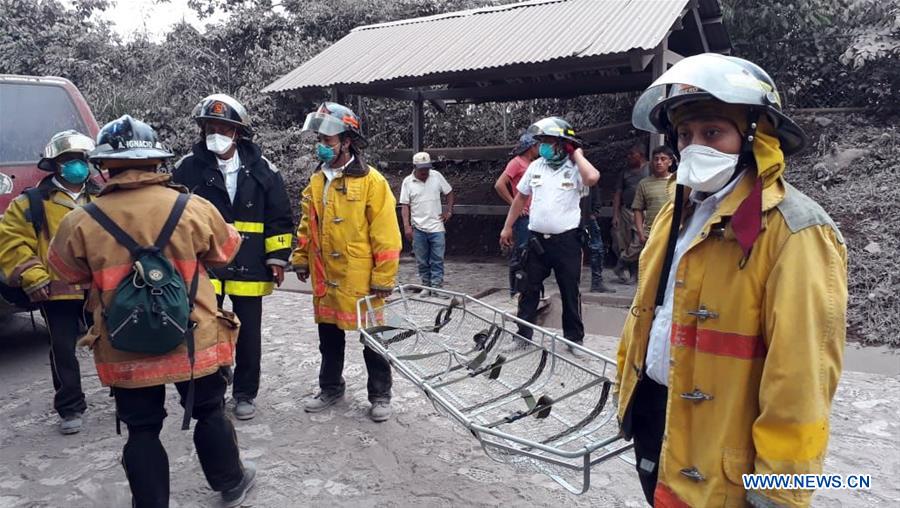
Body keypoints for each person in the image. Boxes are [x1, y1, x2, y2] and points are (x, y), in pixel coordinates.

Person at [617, 53, 847, 507]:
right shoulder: (675, 213)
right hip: (659, 414)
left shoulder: (795, 231)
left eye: (713, 132)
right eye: (685, 134)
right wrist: (630, 398)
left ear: (753, 139)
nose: (694, 145)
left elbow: (802, 375)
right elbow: (646, 313)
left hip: (725, 442)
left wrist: (781, 488)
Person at [48, 115, 256, 508]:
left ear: (104, 165)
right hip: (193, 339)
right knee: (210, 411)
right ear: (157, 161)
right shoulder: (193, 207)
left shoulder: (80, 221)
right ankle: (231, 482)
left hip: (125, 343)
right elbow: (226, 252)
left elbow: (66, 273)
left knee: (141, 429)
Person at [172, 94, 294, 421]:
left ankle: (244, 393)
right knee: (206, 328)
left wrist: (278, 258)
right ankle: (215, 385)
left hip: (251, 264)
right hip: (205, 266)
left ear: (237, 132)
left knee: (248, 333)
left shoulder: (263, 170)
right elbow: (171, 217)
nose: (216, 132)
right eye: (210, 126)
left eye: (223, 127)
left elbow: (280, 218)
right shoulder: (186, 169)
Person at [291, 102, 402, 422]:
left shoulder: (372, 182)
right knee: (329, 338)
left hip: (362, 277)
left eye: (328, 140)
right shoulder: (316, 180)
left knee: (374, 339)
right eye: (320, 140)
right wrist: (300, 257)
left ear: (347, 141)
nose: (322, 146)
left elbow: (386, 234)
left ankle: (380, 394)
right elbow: (307, 223)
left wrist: (384, 277)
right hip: (327, 276)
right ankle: (330, 387)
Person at [0, 130, 100, 434]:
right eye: (68, 160)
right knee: (62, 349)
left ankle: (124, 393)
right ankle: (70, 406)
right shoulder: (32, 202)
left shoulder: (103, 197)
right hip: (56, 291)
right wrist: (33, 276)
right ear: (55, 164)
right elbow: (11, 242)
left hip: (100, 288)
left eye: (80, 159)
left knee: (112, 342)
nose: (75, 166)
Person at [499, 117, 600, 355]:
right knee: (528, 288)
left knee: (569, 291)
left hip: (567, 242)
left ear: (564, 144)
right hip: (536, 240)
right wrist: (507, 227)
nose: (542, 146)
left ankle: (574, 341)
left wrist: (577, 154)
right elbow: (520, 198)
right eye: (541, 141)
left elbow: (593, 178)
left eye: (548, 141)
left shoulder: (576, 169)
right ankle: (523, 337)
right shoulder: (536, 167)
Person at [399, 151, 455, 292]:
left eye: (426, 168)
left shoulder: (436, 176)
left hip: (436, 225)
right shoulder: (407, 182)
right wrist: (406, 226)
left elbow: (449, 192)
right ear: (415, 167)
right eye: (421, 168)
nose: (424, 171)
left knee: (437, 258)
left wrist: (448, 211)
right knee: (422, 259)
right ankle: (426, 284)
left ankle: (436, 285)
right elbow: (405, 205)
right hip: (418, 226)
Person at [495, 132, 539, 298]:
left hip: (533, 215)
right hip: (523, 216)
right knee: (520, 253)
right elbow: (500, 184)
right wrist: (514, 203)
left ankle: (526, 288)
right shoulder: (516, 163)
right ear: (531, 148)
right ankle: (516, 290)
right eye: (537, 146)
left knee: (530, 253)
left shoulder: (533, 164)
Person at [612, 141, 649, 283]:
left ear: (640, 155)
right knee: (626, 242)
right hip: (627, 210)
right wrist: (615, 215)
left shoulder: (650, 168)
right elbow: (617, 194)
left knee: (639, 241)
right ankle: (633, 275)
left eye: (631, 154)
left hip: (644, 211)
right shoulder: (625, 173)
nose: (628, 157)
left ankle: (621, 263)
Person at [631, 145, 676, 246]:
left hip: (673, 232)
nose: (659, 162)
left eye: (663, 159)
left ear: (670, 162)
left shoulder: (677, 182)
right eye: (656, 159)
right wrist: (640, 233)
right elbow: (637, 209)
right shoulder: (644, 183)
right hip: (650, 234)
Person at [581, 183, 614, 293]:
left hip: (587, 216)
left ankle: (597, 282)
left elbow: (595, 193)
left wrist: (594, 212)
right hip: (568, 218)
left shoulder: (588, 174)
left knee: (597, 249)